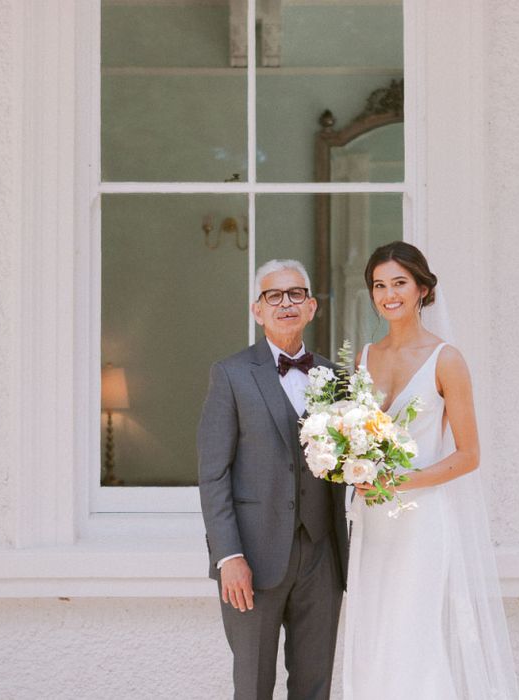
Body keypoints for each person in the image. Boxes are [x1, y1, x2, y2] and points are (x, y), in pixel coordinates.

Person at [343, 242, 519, 699]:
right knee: (374, 638)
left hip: (421, 521)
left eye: (399, 283)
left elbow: (468, 454)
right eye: (379, 285)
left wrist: (398, 482)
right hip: (372, 521)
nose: (388, 294)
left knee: (413, 639)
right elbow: (354, 437)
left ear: (422, 288)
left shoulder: (447, 359)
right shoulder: (364, 357)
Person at [198, 259, 349, 700]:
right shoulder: (230, 375)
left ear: (312, 307)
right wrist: (229, 557)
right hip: (253, 560)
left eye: (296, 294)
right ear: (257, 310)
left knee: (314, 685)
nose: (286, 303)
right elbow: (213, 474)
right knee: (253, 687)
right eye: (273, 296)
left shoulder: (335, 378)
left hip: (322, 558)